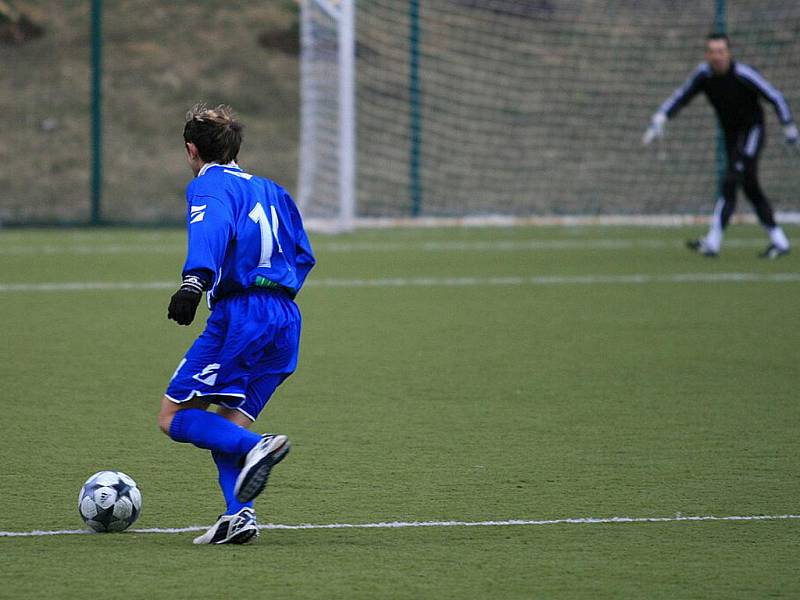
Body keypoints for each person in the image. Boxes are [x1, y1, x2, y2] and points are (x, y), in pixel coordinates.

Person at [157, 104, 315, 544]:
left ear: (192, 149)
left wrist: (194, 282)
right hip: (286, 317)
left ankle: (258, 447)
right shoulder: (272, 189)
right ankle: (239, 515)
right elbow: (303, 253)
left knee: (173, 417)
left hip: (242, 316)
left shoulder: (208, 185)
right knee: (226, 423)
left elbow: (213, 229)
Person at [643, 33, 798, 258]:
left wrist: (788, 126)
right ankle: (780, 242)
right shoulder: (704, 75)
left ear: (728, 53)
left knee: (731, 179)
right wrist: (661, 118)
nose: (717, 57)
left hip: (752, 131)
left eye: (721, 51)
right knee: (750, 187)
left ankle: (713, 241)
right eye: (712, 52)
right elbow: (682, 96)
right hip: (731, 135)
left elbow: (775, 96)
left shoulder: (743, 74)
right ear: (707, 55)